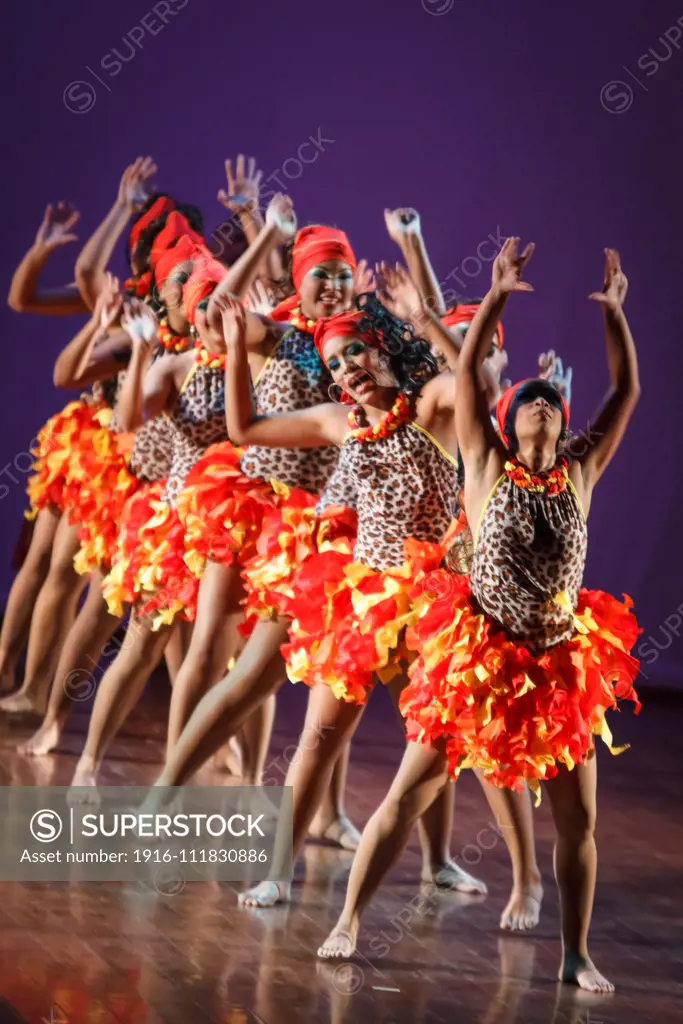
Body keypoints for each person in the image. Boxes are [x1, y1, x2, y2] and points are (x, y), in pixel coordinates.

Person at [149, 263, 542, 919]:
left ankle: (462, 865)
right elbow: (244, 433)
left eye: (354, 352)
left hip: (434, 601)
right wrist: (234, 347)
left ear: (381, 348)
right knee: (319, 738)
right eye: (335, 363)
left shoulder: (431, 407)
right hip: (364, 600)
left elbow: (473, 384)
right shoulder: (338, 419)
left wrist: (429, 315)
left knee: (447, 736)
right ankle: (276, 871)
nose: (346, 370)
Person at [317, 241, 641, 995]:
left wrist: (616, 316)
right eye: (526, 399)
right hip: (482, 656)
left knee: (579, 824)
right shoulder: (484, 463)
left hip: (559, 662)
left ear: (562, 424)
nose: (538, 404)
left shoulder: (581, 472)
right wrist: (492, 297)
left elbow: (623, 391)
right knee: (406, 795)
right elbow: (463, 374)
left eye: (549, 403)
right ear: (504, 420)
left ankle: (574, 954)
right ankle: (349, 920)